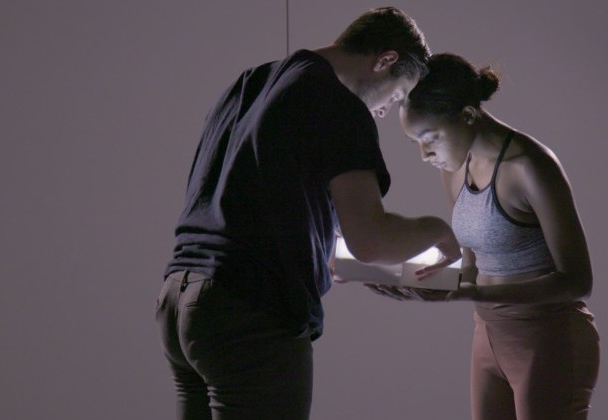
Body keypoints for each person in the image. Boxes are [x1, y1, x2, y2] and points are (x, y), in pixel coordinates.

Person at [154, 8, 461, 420]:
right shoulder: (338, 103)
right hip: (249, 316)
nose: (387, 110)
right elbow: (371, 239)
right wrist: (438, 231)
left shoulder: (252, 82)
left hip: (179, 304)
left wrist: (318, 247)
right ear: (385, 60)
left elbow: (245, 198)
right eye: (398, 93)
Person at [370, 53, 600, 420]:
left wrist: (477, 293)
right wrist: (400, 276)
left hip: (548, 338)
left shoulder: (531, 166)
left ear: (467, 116)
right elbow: (471, 268)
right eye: (415, 141)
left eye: (429, 138)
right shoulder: (454, 169)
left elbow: (577, 281)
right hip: (488, 336)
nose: (424, 154)